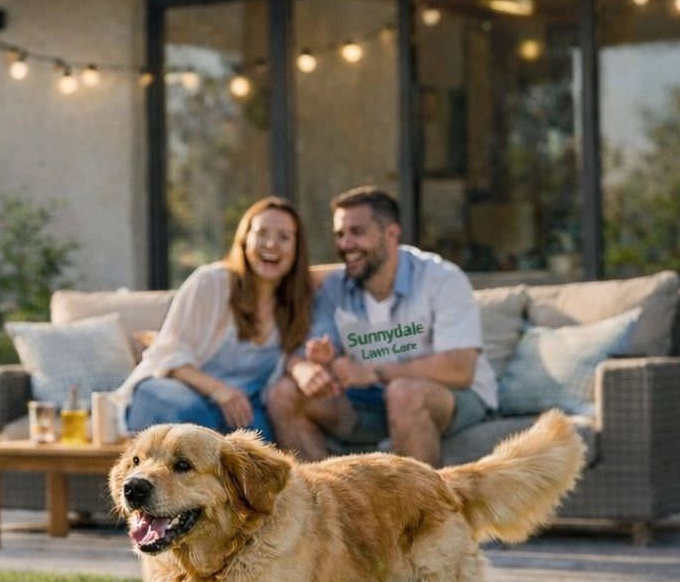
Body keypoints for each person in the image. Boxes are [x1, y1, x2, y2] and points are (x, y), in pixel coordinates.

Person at [267, 186, 495, 466]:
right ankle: (329, 504)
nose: (345, 244)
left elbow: (460, 369)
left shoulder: (442, 279)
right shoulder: (337, 286)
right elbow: (306, 351)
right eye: (340, 234)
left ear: (391, 234)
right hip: (369, 403)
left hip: (453, 397)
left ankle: (415, 509)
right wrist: (307, 367)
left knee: (404, 393)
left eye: (357, 232)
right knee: (283, 394)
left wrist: (373, 372)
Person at [119, 196, 316, 442]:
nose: (272, 243)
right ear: (245, 240)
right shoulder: (210, 282)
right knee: (194, 422)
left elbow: (337, 275)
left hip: (237, 404)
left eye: (284, 237)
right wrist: (220, 391)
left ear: (297, 250)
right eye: (262, 233)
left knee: (257, 442)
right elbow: (168, 356)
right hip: (170, 389)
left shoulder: (298, 301)